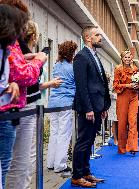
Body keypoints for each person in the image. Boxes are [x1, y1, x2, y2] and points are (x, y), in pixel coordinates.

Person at [6, 20, 62, 189]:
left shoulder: (18, 50)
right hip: (24, 106)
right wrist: (38, 62)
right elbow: (26, 77)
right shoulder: (16, 48)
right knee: (22, 159)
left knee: (19, 159)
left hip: (25, 105)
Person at [0, 1, 47, 187]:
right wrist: (39, 61)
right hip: (10, 111)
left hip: (13, 109)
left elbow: (13, 72)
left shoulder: (9, 46)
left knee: (14, 163)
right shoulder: (8, 45)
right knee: (12, 164)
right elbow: (23, 75)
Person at [72, 25, 110, 188]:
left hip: (97, 106)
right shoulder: (81, 56)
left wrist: (103, 106)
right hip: (87, 108)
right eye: (97, 35)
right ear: (88, 38)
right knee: (83, 141)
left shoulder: (94, 55)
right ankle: (77, 176)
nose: (100, 37)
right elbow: (82, 86)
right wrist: (88, 108)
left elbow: (100, 83)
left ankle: (86, 172)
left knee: (90, 141)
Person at [46, 41, 77, 173]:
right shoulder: (72, 68)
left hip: (53, 102)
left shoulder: (56, 65)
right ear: (71, 53)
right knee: (64, 134)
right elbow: (76, 84)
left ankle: (51, 162)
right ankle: (60, 165)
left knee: (54, 132)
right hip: (65, 102)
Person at [0, 4, 22, 188]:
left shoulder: (4, 50)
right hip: (3, 114)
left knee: (4, 165)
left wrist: (9, 84)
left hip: (6, 112)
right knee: (3, 165)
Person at [113, 50, 139, 155]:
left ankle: (133, 147)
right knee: (122, 122)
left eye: (129, 57)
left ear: (131, 58)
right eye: (125, 57)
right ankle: (122, 148)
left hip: (133, 96)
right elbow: (115, 86)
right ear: (122, 58)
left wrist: (137, 85)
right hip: (122, 96)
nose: (127, 59)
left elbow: (138, 83)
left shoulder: (135, 69)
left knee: (133, 121)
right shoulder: (118, 69)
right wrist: (127, 85)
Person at [106, 73, 118, 145]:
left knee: (122, 121)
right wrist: (116, 96)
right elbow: (108, 92)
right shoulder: (112, 81)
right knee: (114, 121)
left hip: (122, 103)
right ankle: (115, 139)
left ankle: (122, 138)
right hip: (113, 103)